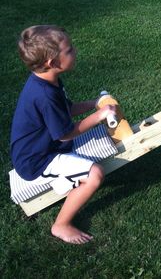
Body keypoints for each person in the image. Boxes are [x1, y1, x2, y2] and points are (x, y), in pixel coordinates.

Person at [10, 25, 117, 244]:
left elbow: (66, 109)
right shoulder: (44, 95)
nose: (75, 51)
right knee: (95, 175)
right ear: (52, 62)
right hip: (37, 161)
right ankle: (60, 225)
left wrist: (95, 104)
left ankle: (67, 181)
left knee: (81, 164)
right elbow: (66, 134)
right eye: (69, 50)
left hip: (43, 148)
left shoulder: (48, 81)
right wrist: (99, 117)